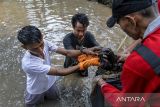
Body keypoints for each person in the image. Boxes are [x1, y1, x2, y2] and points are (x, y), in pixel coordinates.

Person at [94, 0, 160, 106]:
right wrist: (130, 55)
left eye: (123, 28)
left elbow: (125, 103)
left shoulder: (137, 63)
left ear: (131, 21)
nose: (125, 32)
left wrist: (102, 84)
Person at [17, 25, 100, 106]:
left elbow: (67, 52)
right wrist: (84, 64)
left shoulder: (45, 42)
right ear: (24, 47)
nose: (40, 50)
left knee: (55, 101)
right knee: (30, 104)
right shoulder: (28, 63)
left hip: (50, 83)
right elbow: (59, 71)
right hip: (36, 90)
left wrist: (85, 51)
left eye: (41, 45)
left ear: (42, 36)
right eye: (35, 48)